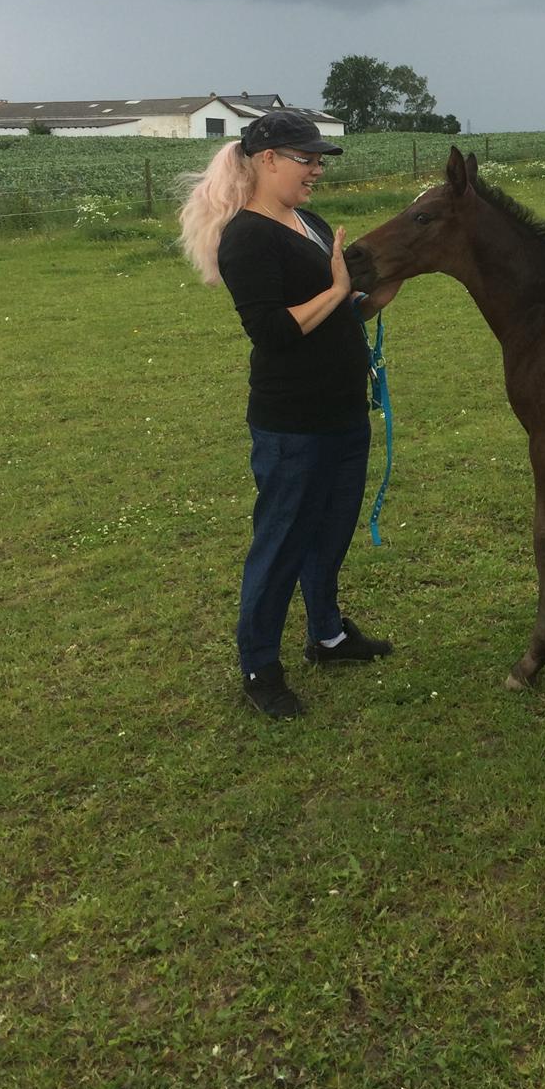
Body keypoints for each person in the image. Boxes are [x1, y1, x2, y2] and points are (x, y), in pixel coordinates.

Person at [178, 109, 399, 718]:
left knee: (331, 531)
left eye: (320, 160)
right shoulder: (247, 237)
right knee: (280, 541)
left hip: (343, 410)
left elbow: (343, 310)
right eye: (308, 159)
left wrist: (377, 292)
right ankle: (259, 665)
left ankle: (327, 636)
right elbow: (273, 332)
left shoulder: (309, 222)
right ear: (267, 160)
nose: (317, 170)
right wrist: (336, 292)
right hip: (292, 423)